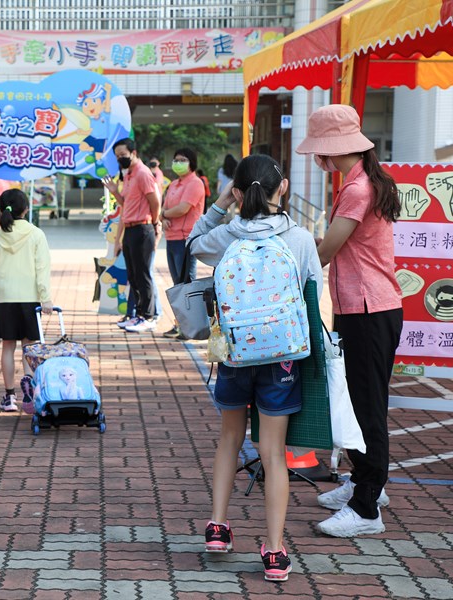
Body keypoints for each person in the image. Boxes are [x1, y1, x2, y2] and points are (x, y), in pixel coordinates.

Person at [188, 154, 323, 583]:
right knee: (273, 452)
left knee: (229, 437)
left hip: (234, 352)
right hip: (282, 356)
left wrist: (220, 203)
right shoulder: (299, 239)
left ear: (239, 193)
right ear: (282, 189)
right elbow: (316, 297)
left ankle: (217, 527)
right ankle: (276, 552)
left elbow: (192, 242)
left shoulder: (227, 235)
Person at [296, 104, 402, 538]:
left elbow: (326, 251)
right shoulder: (360, 181)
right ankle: (364, 485)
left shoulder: (357, 190)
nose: (317, 160)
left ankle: (366, 508)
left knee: (367, 408)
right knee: (357, 403)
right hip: (363, 309)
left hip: (369, 311)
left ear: (330, 150)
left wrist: (293, 254)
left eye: (319, 151)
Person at [0, 189, 53, 413]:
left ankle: (9, 396)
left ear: (3, 210)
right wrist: (46, 298)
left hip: (5, 300)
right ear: (27, 209)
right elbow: (42, 270)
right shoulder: (36, 234)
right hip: (30, 299)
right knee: (29, 348)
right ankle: (29, 390)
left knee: (8, 347)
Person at [102, 138, 162, 333]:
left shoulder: (143, 173)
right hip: (130, 229)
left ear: (134, 152)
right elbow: (125, 204)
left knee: (143, 274)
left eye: (123, 155)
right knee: (133, 275)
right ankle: (137, 315)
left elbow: (155, 201)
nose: (120, 159)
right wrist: (114, 192)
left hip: (143, 228)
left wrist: (154, 223)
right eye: (118, 156)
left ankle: (149, 316)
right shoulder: (128, 175)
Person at [161, 147, 206, 340]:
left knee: (186, 284)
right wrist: (163, 217)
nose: (178, 163)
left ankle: (190, 327)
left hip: (186, 239)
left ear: (191, 162)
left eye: (182, 160)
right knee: (178, 285)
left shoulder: (195, 183)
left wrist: (164, 214)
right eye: (176, 159)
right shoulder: (173, 185)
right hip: (172, 238)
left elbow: (182, 209)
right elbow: (165, 207)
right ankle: (179, 323)